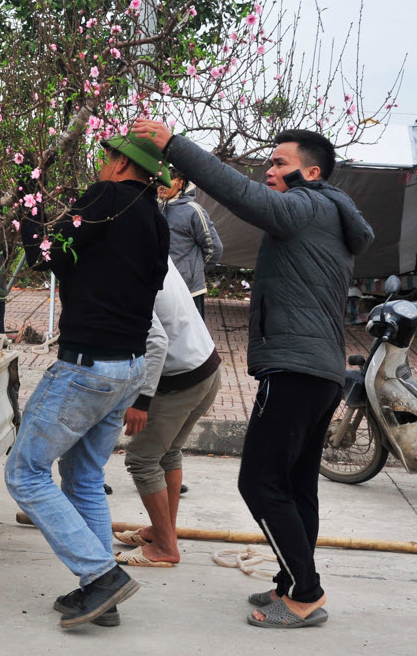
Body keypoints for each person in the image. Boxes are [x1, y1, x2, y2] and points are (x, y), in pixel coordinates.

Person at [132, 120, 373, 630]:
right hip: (317, 370)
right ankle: (292, 580)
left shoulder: (308, 206)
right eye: (270, 160)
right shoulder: (326, 213)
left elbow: (242, 195)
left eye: (280, 162)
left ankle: (305, 594)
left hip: (297, 369)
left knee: (260, 482)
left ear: (311, 172)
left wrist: (173, 145)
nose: (269, 169)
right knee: (296, 484)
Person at [5, 132, 171, 629]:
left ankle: (102, 577)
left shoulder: (108, 197)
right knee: (82, 477)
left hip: (87, 367)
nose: (101, 165)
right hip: (128, 368)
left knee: (25, 473)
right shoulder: (155, 219)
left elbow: (45, 255)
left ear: (121, 163)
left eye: (105, 158)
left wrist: (27, 199)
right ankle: (103, 596)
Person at [113, 258, 222, 568]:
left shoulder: (127, 266)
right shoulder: (155, 247)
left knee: (142, 458)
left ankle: (165, 545)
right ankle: (164, 531)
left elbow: (156, 341)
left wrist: (141, 402)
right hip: (207, 368)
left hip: (182, 379)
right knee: (168, 453)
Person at [161, 172, 222, 318]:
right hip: (162, 288)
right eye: (159, 179)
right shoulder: (154, 208)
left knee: (191, 339)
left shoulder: (193, 211)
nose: (161, 185)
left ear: (180, 183)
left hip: (189, 289)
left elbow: (214, 248)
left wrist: (194, 270)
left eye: (168, 179)